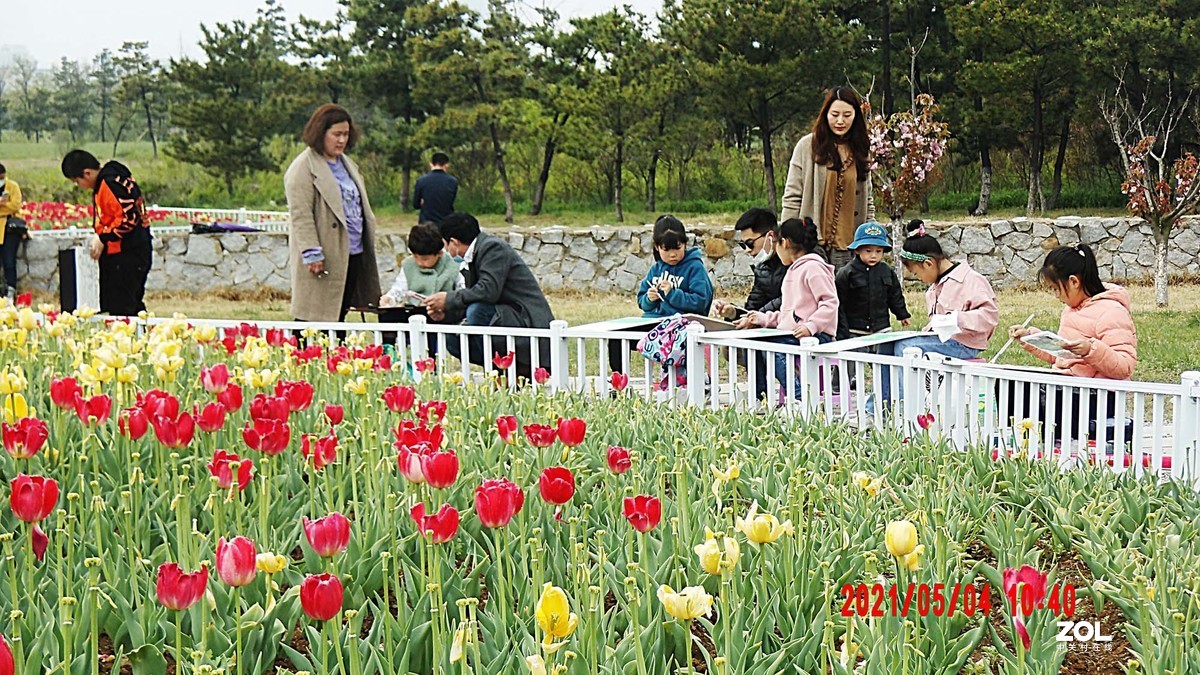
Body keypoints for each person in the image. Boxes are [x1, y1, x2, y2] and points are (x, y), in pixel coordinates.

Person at [1003, 244, 1137, 440]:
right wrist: (1031, 337)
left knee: (1033, 401)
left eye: (1056, 289)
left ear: (1074, 281)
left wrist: (1091, 350)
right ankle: (1025, 442)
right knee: (1013, 388)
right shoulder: (1070, 310)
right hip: (1068, 390)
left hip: (1095, 397)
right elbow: (1061, 355)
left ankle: (1033, 440)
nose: (1056, 296)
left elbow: (1125, 365)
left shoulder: (1112, 312)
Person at [424, 212, 555, 378]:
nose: (447, 250)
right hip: (505, 316)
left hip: (526, 320)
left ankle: (508, 371)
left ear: (453, 242)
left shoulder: (492, 247)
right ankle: (503, 370)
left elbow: (488, 291)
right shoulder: (475, 254)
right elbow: (474, 296)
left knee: (476, 312)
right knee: (453, 337)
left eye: (445, 245)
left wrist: (448, 298)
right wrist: (445, 312)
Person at [880, 220, 998, 403]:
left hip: (963, 344)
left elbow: (989, 318)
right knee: (886, 346)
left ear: (928, 264)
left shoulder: (971, 280)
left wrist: (957, 319)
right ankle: (880, 406)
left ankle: (906, 406)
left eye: (917, 274)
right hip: (941, 340)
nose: (920, 279)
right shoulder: (933, 290)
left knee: (905, 348)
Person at [285, 103, 382, 323]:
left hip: (352, 251)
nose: (341, 140)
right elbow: (300, 215)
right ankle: (304, 355)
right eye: (336, 134)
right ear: (321, 133)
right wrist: (312, 251)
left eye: (346, 134)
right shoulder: (303, 167)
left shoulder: (348, 164)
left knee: (339, 312)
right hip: (324, 253)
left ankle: (336, 355)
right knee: (313, 314)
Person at [740, 217, 839, 399]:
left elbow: (830, 303)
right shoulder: (794, 270)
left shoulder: (813, 268)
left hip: (817, 335)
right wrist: (763, 319)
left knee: (773, 348)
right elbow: (790, 314)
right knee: (754, 344)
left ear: (784, 243)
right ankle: (760, 396)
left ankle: (799, 396)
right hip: (793, 334)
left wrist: (811, 326)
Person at [780, 87, 875, 270]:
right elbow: (792, 197)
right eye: (835, 114)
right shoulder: (807, 146)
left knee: (845, 296)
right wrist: (787, 239)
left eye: (847, 115)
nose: (840, 121)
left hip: (848, 245)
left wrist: (870, 238)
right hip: (812, 244)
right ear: (825, 115)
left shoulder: (861, 150)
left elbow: (867, 201)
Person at [609, 215, 714, 375]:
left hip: (682, 327)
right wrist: (649, 299)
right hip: (655, 324)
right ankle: (620, 383)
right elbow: (642, 301)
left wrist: (672, 293)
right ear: (657, 247)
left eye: (677, 248)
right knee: (616, 336)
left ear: (685, 244)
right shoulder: (657, 269)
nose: (673, 254)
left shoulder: (694, 268)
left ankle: (690, 381)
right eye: (666, 249)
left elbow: (700, 302)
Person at [61, 150, 152, 316]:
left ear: (87, 173)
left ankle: (132, 340)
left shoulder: (109, 183)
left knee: (124, 308)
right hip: (127, 251)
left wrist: (104, 237)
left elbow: (129, 219)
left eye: (77, 181)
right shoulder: (114, 178)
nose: (78, 185)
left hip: (127, 252)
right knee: (128, 304)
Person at [836, 221, 911, 340]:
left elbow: (895, 295)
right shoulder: (846, 273)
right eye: (868, 251)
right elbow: (839, 304)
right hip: (855, 330)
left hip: (881, 328)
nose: (873, 256)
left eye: (878, 251)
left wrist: (902, 314)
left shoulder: (887, 271)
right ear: (857, 250)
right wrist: (842, 330)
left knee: (881, 357)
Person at [713, 207, 786, 321]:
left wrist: (755, 318)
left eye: (750, 243)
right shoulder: (762, 269)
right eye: (743, 245)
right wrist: (732, 312)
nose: (747, 250)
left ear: (771, 236)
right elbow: (752, 309)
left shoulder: (799, 261)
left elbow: (790, 299)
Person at [0, 163, 26, 299]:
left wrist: (3, 206)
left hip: (10, 230)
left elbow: (15, 206)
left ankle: (11, 290)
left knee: (9, 260)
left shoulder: (12, 186)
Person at [412, 152, 458, 225]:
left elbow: (416, 205)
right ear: (446, 165)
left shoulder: (421, 180)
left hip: (426, 223)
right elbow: (450, 201)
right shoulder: (452, 181)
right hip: (445, 223)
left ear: (431, 164)